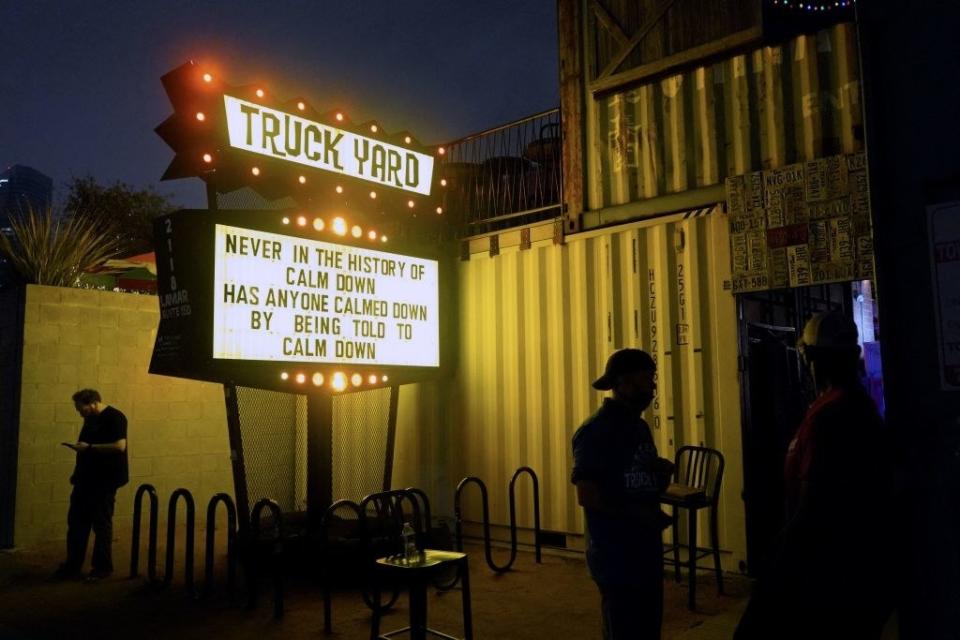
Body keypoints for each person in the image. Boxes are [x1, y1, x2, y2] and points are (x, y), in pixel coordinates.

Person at [734, 312, 895, 638]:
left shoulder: (833, 416)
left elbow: (812, 511)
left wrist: (773, 575)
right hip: (849, 578)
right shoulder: (846, 408)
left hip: (830, 582)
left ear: (811, 359)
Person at [571, 348, 674, 639]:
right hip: (616, 555)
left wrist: (661, 476)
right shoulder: (594, 433)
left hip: (645, 551)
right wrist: (639, 515)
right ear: (622, 383)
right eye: (645, 380)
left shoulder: (640, 428)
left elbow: (644, 487)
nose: (652, 388)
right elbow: (587, 495)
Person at [54, 389, 129, 581]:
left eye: (81, 408)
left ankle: (102, 568)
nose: (79, 413)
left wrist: (89, 448)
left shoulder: (115, 417)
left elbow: (120, 446)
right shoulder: (91, 419)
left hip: (104, 480)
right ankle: (73, 565)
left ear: (93, 403)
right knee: (77, 522)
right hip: (85, 479)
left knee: (101, 523)